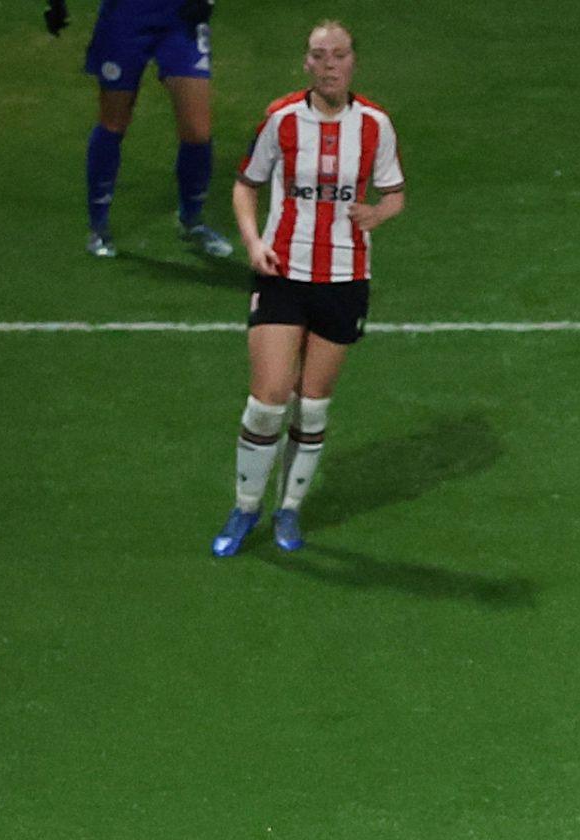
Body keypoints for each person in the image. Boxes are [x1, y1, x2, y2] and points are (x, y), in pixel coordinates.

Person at [212, 20, 402, 559]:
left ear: (353, 62)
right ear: (306, 63)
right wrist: (252, 242)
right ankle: (246, 507)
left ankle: (287, 511)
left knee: (312, 407)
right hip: (283, 272)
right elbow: (246, 184)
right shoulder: (281, 119)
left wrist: (378, 213)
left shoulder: (375, 126)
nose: (329, 64)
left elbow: (395, 193)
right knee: (269, 399)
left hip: (345, 278)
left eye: (338, 54)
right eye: (319, 55)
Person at [47, 0, 236, 261]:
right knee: (114, 122)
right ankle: (98, 226)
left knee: (198, 132)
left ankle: (192, 221)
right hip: (126, 16)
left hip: (180, 18)